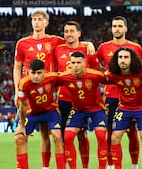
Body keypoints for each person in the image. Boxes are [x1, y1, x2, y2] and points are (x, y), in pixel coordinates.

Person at [13, 10, 94, 168]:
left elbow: (73, 42)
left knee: (51, 134)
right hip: (29, 93)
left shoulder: (56, 41)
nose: (37, 22)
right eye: (34, 19)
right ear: (31, 22)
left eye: (40, 19)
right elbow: (17, 68)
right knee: (29, 135)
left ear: (46, 23)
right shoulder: (22, 43)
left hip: (49, 91)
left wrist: (88, 43)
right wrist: (17, 90)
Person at [96, 16, 142, 169]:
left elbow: (141, 71)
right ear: (111, 28)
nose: (117, 29)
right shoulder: (103, 48)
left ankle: (134, 165)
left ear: (126, 28)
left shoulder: (136, 48)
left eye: (120, 26)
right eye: (114, 26)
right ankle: (110, 165)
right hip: (110, 96)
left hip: (130, 97)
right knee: (109, 131)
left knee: (131, 132)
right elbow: (95, 68)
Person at [54, 21, 100, 168]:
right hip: (65, 99)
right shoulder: (58, 49)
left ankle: (85, 166)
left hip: (84, 101)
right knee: (64, 136)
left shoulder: (87, 50)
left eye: (72, 31)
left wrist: (89, 44)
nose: (68, 34)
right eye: (66, 31)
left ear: (79, 33)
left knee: (82, 134)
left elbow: (97, 72)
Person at [105, 47, 142, 169]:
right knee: (114, 137)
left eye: (126, 57)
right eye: (120, 57)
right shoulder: (112, 74)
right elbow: (101, 77)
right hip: (124, 108)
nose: (122, 60)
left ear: (132, 60)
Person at [58, 51, 108, 169]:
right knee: (67, 137)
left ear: (85, 63)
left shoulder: (95, 75)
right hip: (78, 110)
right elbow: (47, 80)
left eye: (78, 62)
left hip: (97, 109)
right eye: (73, 63)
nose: (75, 65)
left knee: (101, 136)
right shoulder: (64, 76)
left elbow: (112, 79)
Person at [14, 59, 65, 169]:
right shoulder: (24, 83)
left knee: (57, 136)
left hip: (50, 111)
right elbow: (22, 105)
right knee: (19, 138)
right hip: (31, 113)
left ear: (44, 72)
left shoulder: (53, 77)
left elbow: (67, 77)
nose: (36, 76)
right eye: (33, 73)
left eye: (39, 73)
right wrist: (21, 125)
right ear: (28, 71)